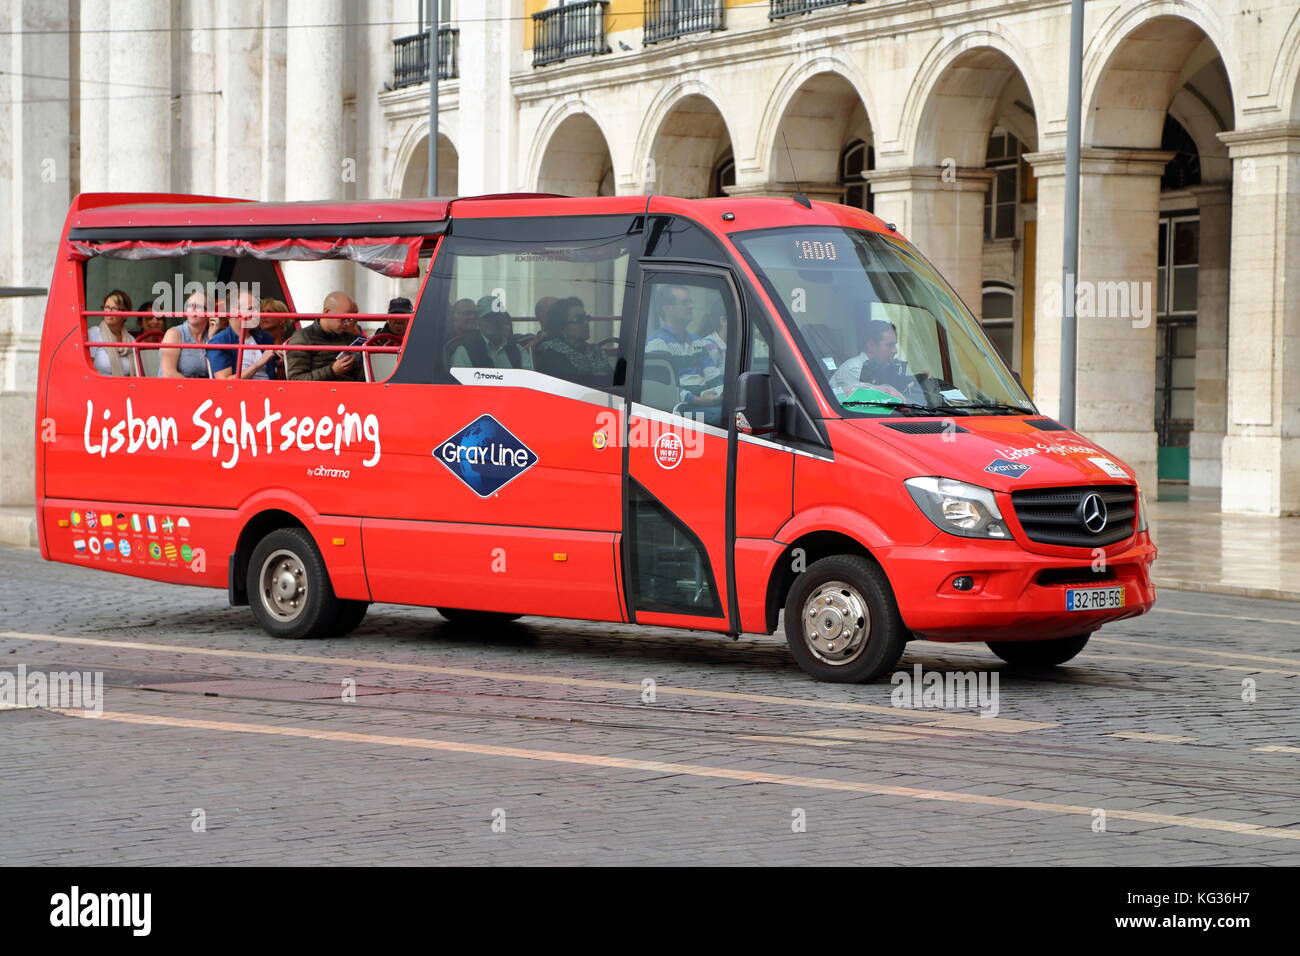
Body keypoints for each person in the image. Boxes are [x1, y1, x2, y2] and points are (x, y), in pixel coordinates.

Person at [644, 284, 724, 423]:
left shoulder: (696, 341)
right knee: (725, 416)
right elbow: (664, 389)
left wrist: (725, 389)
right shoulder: (657, 343)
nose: (691, 306)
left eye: (691, 302)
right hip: (681, 408)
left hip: (704, 401)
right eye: (685, 302)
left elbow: (712, 374)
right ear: (668, 309)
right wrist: (696, 400)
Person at [829, 319, 919, 401]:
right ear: (871, 345)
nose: (895, 350)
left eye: (894, 345)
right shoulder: (854, 369)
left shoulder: (885, 367)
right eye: (889, 345)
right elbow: (872, 404)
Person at [284, 291, 364, 382]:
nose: (347, 323)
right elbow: (295, 380)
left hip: (351, 390)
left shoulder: (348, 335)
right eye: (343, 319)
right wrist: (332, 370)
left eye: (350, 319)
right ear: (326, 312)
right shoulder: (303, 338)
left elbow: (361, 376)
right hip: (318, 393)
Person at [534, 297, 612, 386]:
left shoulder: (595, 350)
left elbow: (613, 381)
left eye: (587, 318)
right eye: (579, 320)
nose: (586, 323)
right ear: (562, 327)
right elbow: (571, 384)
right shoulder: (551, 352)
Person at [208, 289, 278, 380]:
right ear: (233, 313)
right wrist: (258, 364)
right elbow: (225, 383)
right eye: (251, 309)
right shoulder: (218, 342)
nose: (257, 314)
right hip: (240, 393)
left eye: (257, 309)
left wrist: (278, 358)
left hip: (272, 391)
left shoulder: (265, 337)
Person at [448, 308, 531, 370]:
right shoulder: (464, 351)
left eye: (496, 318)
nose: (492, 323)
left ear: (503, 321)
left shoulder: (517, 349)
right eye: (487, 319)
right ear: (478, 321)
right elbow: (460, 387)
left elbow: (528, 381)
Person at [159, 290, 212, 378]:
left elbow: (217, 372)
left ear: (209, 312)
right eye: (190, 305)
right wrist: (197, 390)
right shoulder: (174, 334)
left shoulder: (212, 336)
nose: (193, 309)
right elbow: (169, 374)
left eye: (198, 306)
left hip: (205, 389)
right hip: (174, 388)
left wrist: (212, 335)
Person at [86, 290, 135, 376]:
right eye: (107, 307)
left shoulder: (131, 340)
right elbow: (87, 369)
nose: (109, 311)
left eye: (114, 308)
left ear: (125, 314)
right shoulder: (94, 333)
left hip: (125, 387)